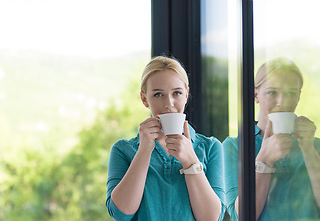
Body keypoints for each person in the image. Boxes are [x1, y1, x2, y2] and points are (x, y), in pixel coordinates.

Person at [106, 56, 226, 221]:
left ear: (186, 94)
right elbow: (121, 213)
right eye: (157, 95)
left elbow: (212, 218)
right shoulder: (123, 150)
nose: (169, 103)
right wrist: (144, 150)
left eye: (177, 93)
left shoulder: (211, 147)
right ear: (144, 99)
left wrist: (191, 161)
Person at [223, 58, 320, 221]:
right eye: (272, 92)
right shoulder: (235, 147)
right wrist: (264, 160)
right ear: (256, 94)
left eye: (291, 93)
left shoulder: (314, 145)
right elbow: (240, 216)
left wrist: (308, 149)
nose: (282, 102)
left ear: (298, 96)